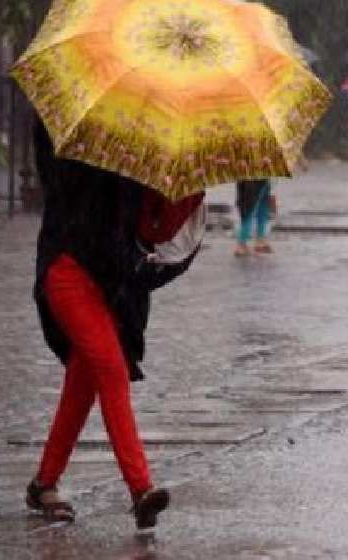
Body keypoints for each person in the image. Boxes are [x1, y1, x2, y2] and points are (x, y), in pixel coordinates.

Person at [26, 121, 205, 531]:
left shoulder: (142, 145)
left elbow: (144, 240)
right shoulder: (68, 133)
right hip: (67, 268)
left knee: (82, 384)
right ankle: (141, 490)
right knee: (109, 368)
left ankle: (43, 483)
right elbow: (65, 193)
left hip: (115, 287)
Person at [234, 179, 274, 256]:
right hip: (255, 178)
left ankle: (259, 239)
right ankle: (242, 243)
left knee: (262, 204)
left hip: (256, 177)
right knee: (250, 208)